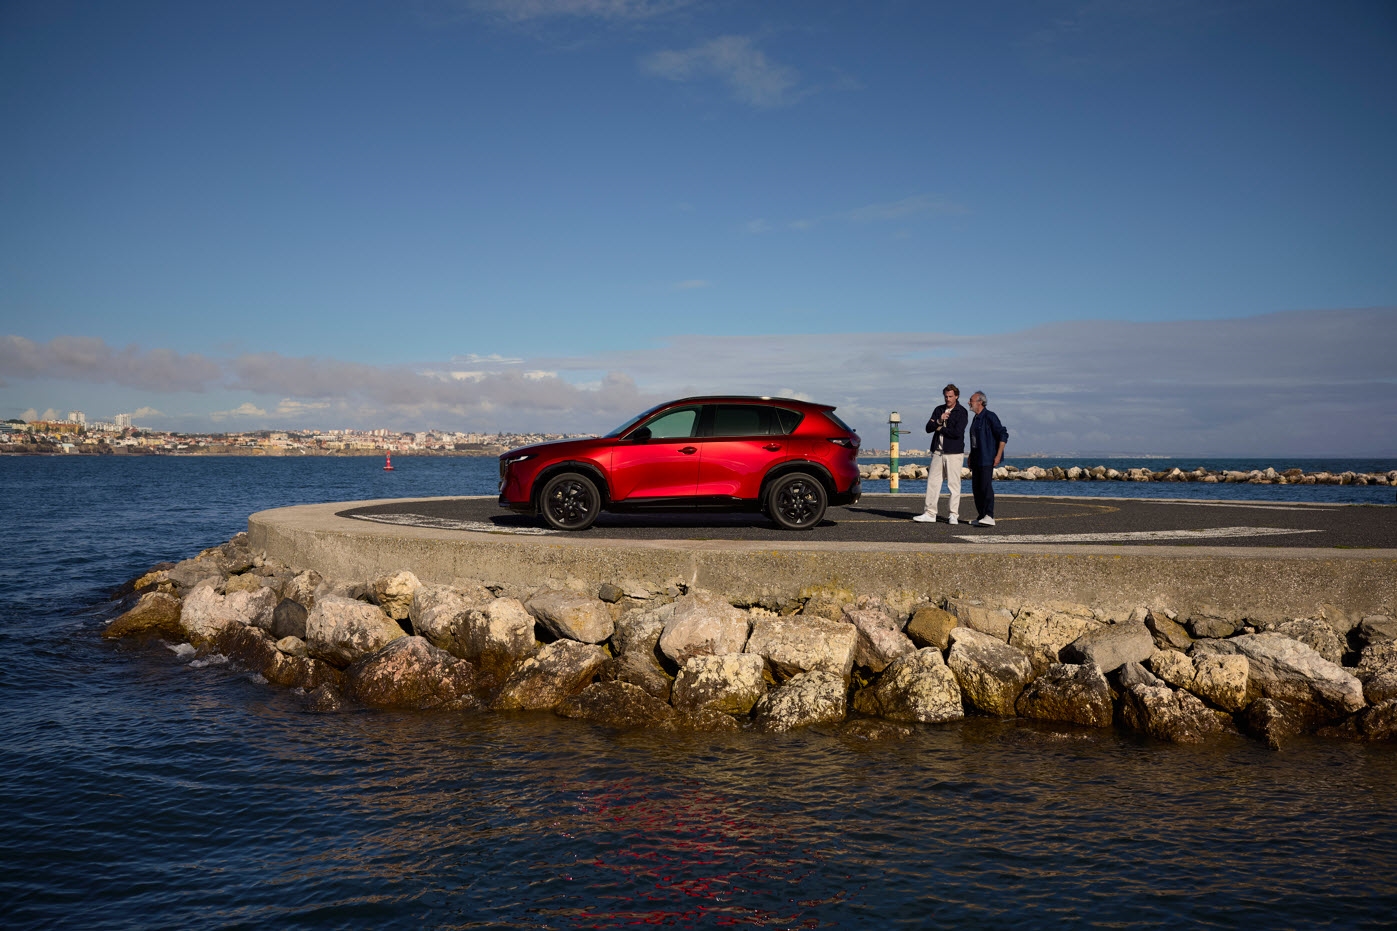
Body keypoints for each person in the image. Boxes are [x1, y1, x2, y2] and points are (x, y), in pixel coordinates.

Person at [913, 383, 967, 524]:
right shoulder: (939, 409)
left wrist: (940, 429)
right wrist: (939, 421)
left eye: (950, 396)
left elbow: (957, 433)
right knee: (932, 482)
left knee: (953, 484)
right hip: (938, 452)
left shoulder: (961, 412)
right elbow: (928, 428)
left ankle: (953, 514)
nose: (948, 399)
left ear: (956, 396)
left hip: (954, 453)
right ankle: (930, 513)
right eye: (946, 396)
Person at [966, 391, 1008, 527]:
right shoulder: (975, 418)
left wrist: (998, 455)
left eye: (971, 400)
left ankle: (989, 515)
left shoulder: (990, 416)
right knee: (976, 488)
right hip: (976, 458)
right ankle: (981, 515)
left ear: (980, 402)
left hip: (987, 458)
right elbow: (974, 440)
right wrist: (971, 455)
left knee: (985, 487)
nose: (969, 403)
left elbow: (1003, 434)